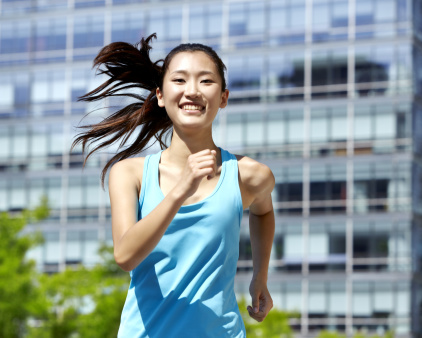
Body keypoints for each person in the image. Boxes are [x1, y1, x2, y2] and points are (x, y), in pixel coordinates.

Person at [71, 34, 275, 337]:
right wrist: (182, 188)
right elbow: (126, 256)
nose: (192, 91)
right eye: (179, 80)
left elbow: (263, 212)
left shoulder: (249, 175)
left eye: (206, 81)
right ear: (161, 95)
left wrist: (260, 276)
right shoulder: (129, 174)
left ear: (223, 98)